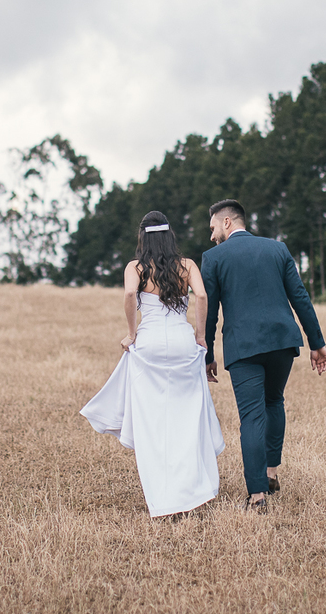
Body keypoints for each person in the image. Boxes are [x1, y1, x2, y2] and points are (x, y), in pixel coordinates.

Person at [79, 211, 225, 517]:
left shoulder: (136, 267)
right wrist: (200, 337)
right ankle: (194, 488)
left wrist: (132, 333)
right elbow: (201, 295)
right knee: (187, 419)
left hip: (150, 343)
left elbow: (131, 293)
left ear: (143, 237)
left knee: (153, 424)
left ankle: (165, 494)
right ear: (170, 235)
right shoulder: (187, 266)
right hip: (183, 341)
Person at [202, 199, 326, 510]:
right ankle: (271, 473)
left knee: (251, 416)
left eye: (213, 227)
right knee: (274, 401)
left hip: (243, 347)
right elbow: (299, 296)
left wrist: (206, 354)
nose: (211, 235)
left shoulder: (213, 258)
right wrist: (316, 342)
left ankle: (257, 495)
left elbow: (209, 313)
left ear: (228, 222)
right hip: (282, 342)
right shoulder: (278, 249)